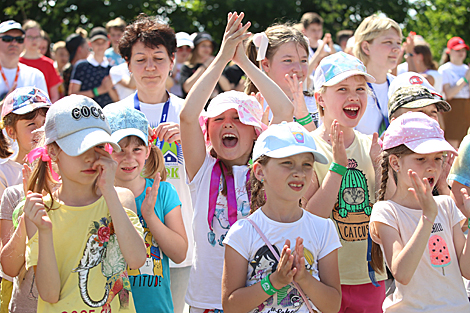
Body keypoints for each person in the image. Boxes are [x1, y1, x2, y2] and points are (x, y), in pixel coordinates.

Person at [179, 12, 294, 313]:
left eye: (239, 118)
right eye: (219, 119)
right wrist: (221, 58)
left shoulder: (266, 167)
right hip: (208, 301)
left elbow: (283, 110)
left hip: (263, 296)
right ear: (209, 130)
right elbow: (187, 116)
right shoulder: (202, 170)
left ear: (256, 131)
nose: (228, 125)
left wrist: (244, 62)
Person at [23, 94, 146, 312]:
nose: (90, 157)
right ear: (53, 151)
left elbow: (136, 260)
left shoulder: (119, 198)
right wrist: (44, 231)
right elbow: (50, 294)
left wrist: (108, 191)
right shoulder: (41, 212)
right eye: (79, 147)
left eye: (98, 146)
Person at [110, 15, 194, 313]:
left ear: (172, 61)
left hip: (177, 242)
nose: (150, 67)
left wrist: (190, 140)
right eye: (141, 59)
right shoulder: (110, 114)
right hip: (117, 240)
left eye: (158, 58)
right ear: (127, 64)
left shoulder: (191, 113)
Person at [222, 121, 342, 313]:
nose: (299, 173)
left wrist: (303, 277)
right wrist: (274, 282)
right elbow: (231, 305)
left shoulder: (324, 229)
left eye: (307, 165)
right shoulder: (242, 233)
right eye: (287, 163)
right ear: (260, 172)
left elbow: (333, 305)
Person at [304, 52, 389, 313]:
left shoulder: (372, 146)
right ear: (320, 99)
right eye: (342, 89)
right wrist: (338, 167)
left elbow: (385, 211)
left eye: (360, 89)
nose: (354, 97)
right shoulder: (307, 148)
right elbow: (310, 216)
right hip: (322, 279)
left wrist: (379, 168)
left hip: (371, 276)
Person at [370, 112, 470, 312]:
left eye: (437, 158)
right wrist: (427, 217)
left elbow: (466, 271)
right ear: (395, 163)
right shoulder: (386, 211)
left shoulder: (446, 205)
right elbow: (402, 273)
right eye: (421, 158)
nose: (432, 166)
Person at [104, 105, 188, 312]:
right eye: (119, 150)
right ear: (105, 150)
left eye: (136, 149)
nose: (128, 157)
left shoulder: (164, 192)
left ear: (148, 151)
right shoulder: (97, 195)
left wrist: (149, 216)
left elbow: (179, 253)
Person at [0, 87, 50, 313]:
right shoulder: (4, 173)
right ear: (11, 132)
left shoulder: (60, 168)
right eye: (31, 125)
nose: (40, 130)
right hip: (15, 279)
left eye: (45, 122)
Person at [245, 24, 319, 129]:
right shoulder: (252, 106)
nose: (298, 68)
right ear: (266, 64)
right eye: (288, 60)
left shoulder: (318, 103)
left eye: (303, 61)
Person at [353, 15, 402, 135]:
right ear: (366, 47)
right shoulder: (349, 88)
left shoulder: (400, 86)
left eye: (399, 43)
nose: (396, 48)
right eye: (388, 42)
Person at [69, 27, 118, 107]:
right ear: (90, 44)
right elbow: (72, 95)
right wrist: (98, 91)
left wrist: (108, 88)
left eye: (103, 42)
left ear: (108, 44)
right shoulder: (81, 66)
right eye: (96, 42)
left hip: (107, 115)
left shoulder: (112, 69)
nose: (100, 45)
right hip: (85, 114)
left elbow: (117, 99)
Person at [0, 20, 47, 101]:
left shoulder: (36, 76)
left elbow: (44, 111)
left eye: (19, 39)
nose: (14, 43)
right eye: (7, 39)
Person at [438, 36, 470, 148]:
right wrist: (465, 79)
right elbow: (449, 94)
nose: (461, 53)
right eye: (457, 50)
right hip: (452, 110)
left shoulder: (467, 68)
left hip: (467, 109)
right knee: (453, 148)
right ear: (449, 51)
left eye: (463, 50)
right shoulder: (444, 69)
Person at [19, 20, 61, 103]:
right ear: (23, 37)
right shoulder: (15, 62)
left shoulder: (48, 63)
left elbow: (54, 96)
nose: (34, 40)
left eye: (37, 37)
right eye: (30, 37)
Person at [180, 32, 230, 99]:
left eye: (209, 46)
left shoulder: (217, 66)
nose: (207, 48)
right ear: (196, 47)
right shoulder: (187, 66)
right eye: (203, 45)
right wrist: (204, 66)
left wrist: (215, 66)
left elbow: (227, 88)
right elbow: (187, 88)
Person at [62, 33, 89, 97]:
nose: (88, 51)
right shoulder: (70, 70)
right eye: (87, 48)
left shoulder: (66, 69)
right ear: (80, 49)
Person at [169, 32, 193, 98]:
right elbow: (173, 74)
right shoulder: (167, 63)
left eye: (188, 48)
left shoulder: (193, 66)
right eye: (180, 48)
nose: (184, 52)